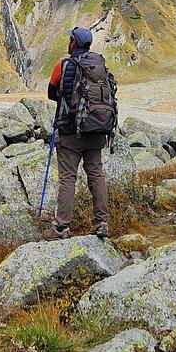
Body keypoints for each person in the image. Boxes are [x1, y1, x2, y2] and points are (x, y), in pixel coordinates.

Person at [46, 26, 117, 239]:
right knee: (96, 174)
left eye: (70, 39)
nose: (68, 42)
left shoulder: (63, 64)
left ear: (74, 43)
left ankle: (61, 227)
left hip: (70, 133)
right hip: (97, 130)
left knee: (68, 177)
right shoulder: (98, 65)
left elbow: (51, 93)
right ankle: (101, 223)